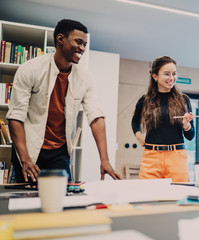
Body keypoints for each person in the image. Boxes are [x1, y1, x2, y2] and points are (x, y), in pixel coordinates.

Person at [7, 19, 121, 183]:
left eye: (84, 44)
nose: (82, 48)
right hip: (29, 148)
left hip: (59, 151)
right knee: (27, 199)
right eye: (78, 42)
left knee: (62, 200)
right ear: (60, 39)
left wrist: (105, 160)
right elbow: (15, 117)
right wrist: (24, 159)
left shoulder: (85, 78)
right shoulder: (30, 69)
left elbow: (96, 117)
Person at [131, 56, 195, 182]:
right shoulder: (145, 100)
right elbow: (135, 121)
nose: (172, 78)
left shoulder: (184, 100)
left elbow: (190, 136)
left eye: (174, 74)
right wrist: (138, 136)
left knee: (178, 197)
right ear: (155, 76)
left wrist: (186, 125)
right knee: (147, 197)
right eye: (167, 74)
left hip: (177, 157)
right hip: (151, 157)